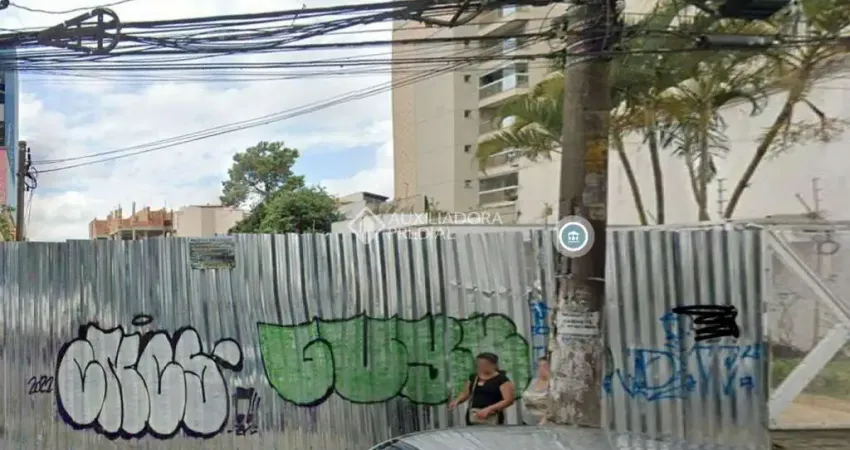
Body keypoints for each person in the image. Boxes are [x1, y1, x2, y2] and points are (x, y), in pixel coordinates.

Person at [448, 352, 515, 425]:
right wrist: (457, 401)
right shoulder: (473, 377)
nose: (481, 366)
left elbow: (508, 400)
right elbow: (465, 393)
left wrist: (489, 409)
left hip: (492, 416)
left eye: (484, 364)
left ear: (494, 365)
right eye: (479, 364)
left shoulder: (501, 379)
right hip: (473, 416)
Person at [521, 357, 551, 425]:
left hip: (544, 423)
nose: (541, 369)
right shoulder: (533, 381)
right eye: (539, 366)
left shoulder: (554, 384)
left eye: (545, 366)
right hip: (527, 420)